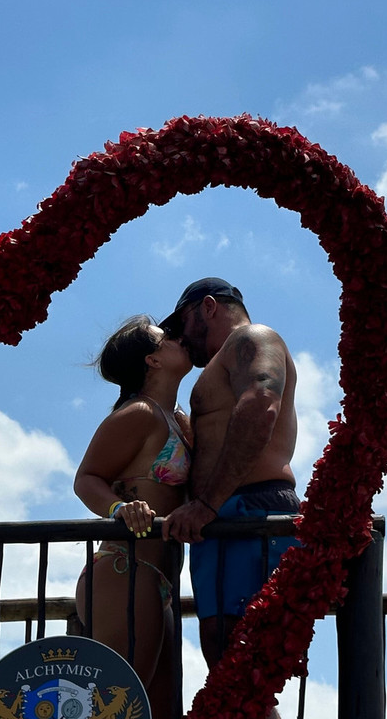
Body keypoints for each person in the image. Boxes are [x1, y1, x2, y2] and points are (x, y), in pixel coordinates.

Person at [160, 278, 300, 692]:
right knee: (228, 663)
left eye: (181, 324)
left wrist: (205, 504)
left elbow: (261, 403)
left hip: (248, 511)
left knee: (239, 662)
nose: (180, 338)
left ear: (208, 307)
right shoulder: (223, 362)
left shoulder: (253, 338)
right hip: (225, 515)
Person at [74, 315, 193, 719]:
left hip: (159, 579)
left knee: (158, 711)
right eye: (166, 338)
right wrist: (119, 508)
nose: (178, 339)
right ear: (152, 360)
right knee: (117, 707)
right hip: (124, 569)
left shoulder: (178, 420)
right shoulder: (140, 413)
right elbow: (86, 478)